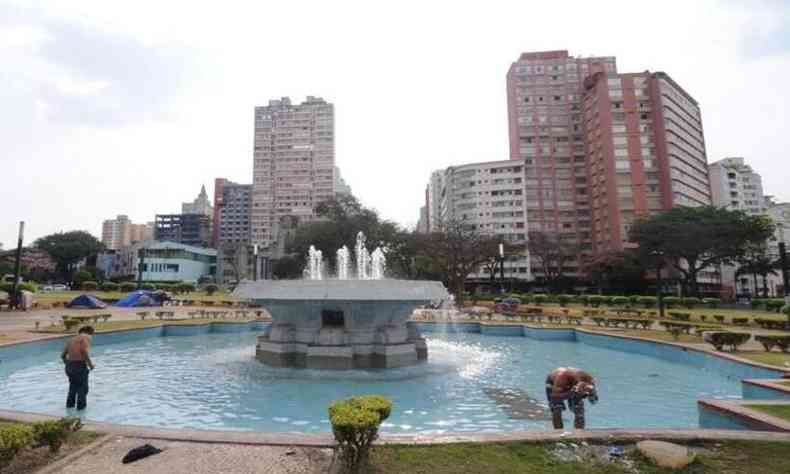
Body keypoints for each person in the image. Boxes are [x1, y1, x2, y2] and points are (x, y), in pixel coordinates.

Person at [61, 326, 96, 410]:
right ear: (88, 332)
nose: (92, 336)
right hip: (79, 366)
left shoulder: (71, 340)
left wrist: (68, 363)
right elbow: (83, 351)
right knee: (82, 389)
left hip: (69, 367)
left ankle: (70, 407)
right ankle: (81, 412)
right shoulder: (85, 338)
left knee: (72, 387)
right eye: (92, 334)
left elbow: (62, 356)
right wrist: (90, 365)